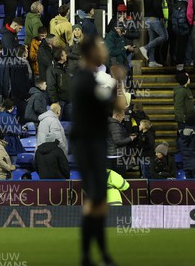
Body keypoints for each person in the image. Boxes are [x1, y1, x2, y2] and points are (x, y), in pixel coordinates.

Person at [70, 37, 118, 266]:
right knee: (95, 199)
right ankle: (89, 256)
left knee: (98, 200)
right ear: (91, 53)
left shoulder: (87, 79)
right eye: (101, 48)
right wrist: (119, 81)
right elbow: (117, 105)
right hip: (88, 145)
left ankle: (97, 255)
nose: (104, 51)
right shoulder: (85, 80)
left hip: (93, 144)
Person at [139, 0, 168, 67]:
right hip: (154, 18)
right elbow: (157, 5)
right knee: (164, 36)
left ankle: (151, 61)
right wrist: (161, 17)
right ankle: (145, 48)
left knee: (153, 39)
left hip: (146, 18)